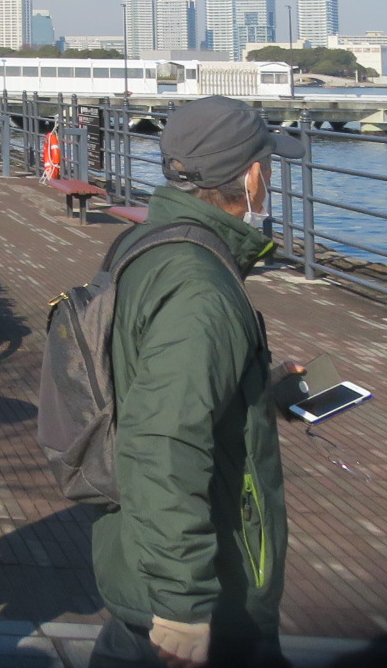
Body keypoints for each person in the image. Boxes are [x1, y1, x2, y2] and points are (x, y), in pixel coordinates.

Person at [90, 96, 300, 668]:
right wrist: (181, 603)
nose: (270, 181)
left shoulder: (150, 244)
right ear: (251, 177)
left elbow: (151, 381)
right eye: (268, 168)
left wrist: (260, 388)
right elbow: (161, 440)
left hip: (143, 561)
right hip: (205, 589)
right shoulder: (201, 287)